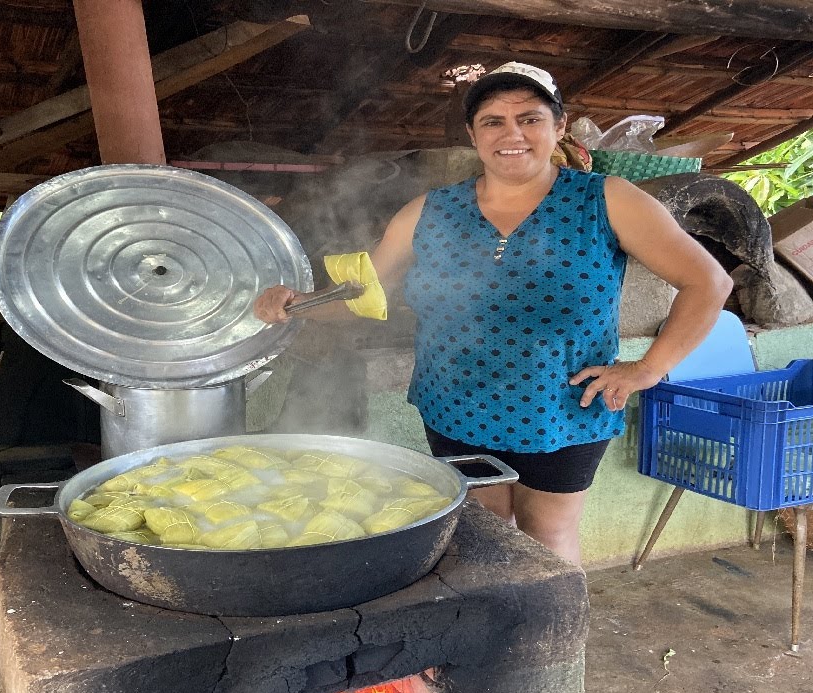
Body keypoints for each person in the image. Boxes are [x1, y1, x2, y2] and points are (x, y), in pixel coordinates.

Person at [254, 62, 732, 566]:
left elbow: (708, 282)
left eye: (530, 119)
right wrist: (295, 304)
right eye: (493, 122)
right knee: (482, 538)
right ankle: (500, 639)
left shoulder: (606, 200)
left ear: (559, 127)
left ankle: (555, 643)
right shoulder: (429, 210)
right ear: (472, 134)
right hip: (457, 405)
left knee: (546, 538)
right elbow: (361, 295)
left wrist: (647, 368)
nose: (513, 135)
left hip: (563, 408)